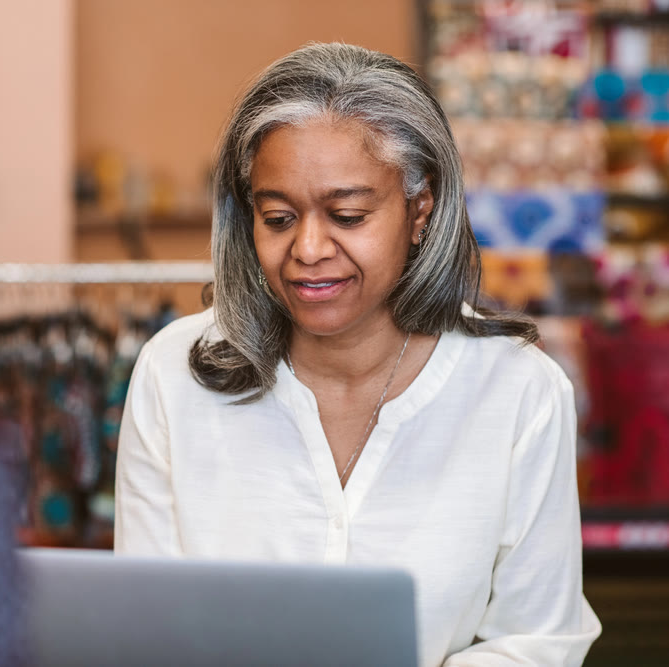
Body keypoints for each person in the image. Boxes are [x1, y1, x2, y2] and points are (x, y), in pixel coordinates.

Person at [114, 42, 601, 666]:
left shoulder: (517, 393)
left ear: (419, 210)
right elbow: (142, 633)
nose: (309, 248)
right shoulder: (174, 375)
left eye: (347, 215)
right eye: (278, 218)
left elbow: (537, 641)